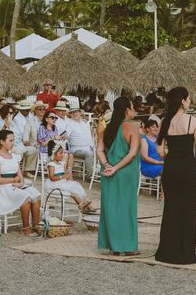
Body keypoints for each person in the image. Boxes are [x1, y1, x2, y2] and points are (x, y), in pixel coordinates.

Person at [155, 87, 196, 265]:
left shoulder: (164, 122)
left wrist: (171, 158)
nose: (189, 101)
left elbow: (160, 150)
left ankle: (168, 250)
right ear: (183, 100)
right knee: (188, 210)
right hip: (187, 167)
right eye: (188, 99)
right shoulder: (192, 120)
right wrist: (194, 165)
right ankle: (185, 251)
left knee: (171, 208)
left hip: (171, 168)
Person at [97, 97, 140, 255]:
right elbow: (133, 153)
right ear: (127, 110)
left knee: (111, 208)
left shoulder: (107, 128)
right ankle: (128, 247)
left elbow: (100, 150)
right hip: (126, 172)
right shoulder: (132, 128)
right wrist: (115, 167)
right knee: (127, 208)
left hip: (108, 171)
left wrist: (107, 165)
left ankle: (114, 245)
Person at [0, 129, 41, 236]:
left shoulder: (14, 156)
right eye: (10, 140)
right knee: (25, 197)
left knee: (36, 194)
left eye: (14, 140)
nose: (13, 143)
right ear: (2, 142)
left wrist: (21, 183)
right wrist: (14, 180)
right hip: (2, 187)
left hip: (15, 184)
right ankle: (26, 228)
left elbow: (20, 174)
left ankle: (36, 224)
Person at [45, 140, 97, 214]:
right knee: (73, 191)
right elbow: (52, 178)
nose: (63, 155)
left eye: (62, 152)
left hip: (62, 182)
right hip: (54, 184)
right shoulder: (51, 164)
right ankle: (81, 205)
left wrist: (68, 173)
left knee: (77, 186)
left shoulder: (61, 163)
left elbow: (64, 174)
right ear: (54, 154)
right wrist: (62, 177)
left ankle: (87, 204)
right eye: (60, 153)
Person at [0, 105, 37, 173]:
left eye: (12, 113)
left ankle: (27, 170)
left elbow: (18, 136)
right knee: (18, 151)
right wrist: (5, 126)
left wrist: (25, 142)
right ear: (5, 113)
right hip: (7, 146)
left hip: (19, 144)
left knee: (33, 150)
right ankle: (15, 171)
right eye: (11, 113)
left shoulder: (13, 123)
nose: (12, 114)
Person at [66, 107, 95, 181]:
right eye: (72, 113)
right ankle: (90, 176)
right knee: (89, 154)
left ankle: (99, 173)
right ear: (70, 115)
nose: (74, 114)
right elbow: (66, 135)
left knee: (101, 152)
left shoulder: (85, 123)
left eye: (76, 112)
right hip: (77, 149)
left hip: (89, 147)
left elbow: (90, 135)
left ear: (80, 113)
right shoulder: (70, 124)